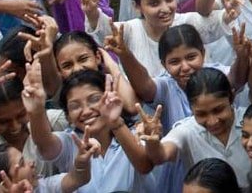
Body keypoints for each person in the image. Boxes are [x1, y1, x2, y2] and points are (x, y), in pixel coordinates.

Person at [81, 0, 230, 80]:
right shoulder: (130, 30)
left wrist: (229, 14)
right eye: (154, 3)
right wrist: (92, 12)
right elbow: (104, 31)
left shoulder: (187, 22)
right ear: (137, 6)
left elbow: (216, 22)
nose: (165, 9)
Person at [23, 66, 154, 190]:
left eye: (94, 99)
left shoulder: (135, 135)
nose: (86, 111)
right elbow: (44, 144)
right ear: (67, 116)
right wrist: (36, 111)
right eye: (75, 106)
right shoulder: (70, 142)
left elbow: (144, 165)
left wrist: (115, 122)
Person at [142, 68, 252, 188]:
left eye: (218, 110)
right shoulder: (187, 131)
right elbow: (162, 155)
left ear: (231, 98)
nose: (212, 121)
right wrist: (152, 142)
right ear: (191, 108)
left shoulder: (251, 121)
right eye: (201, 114)